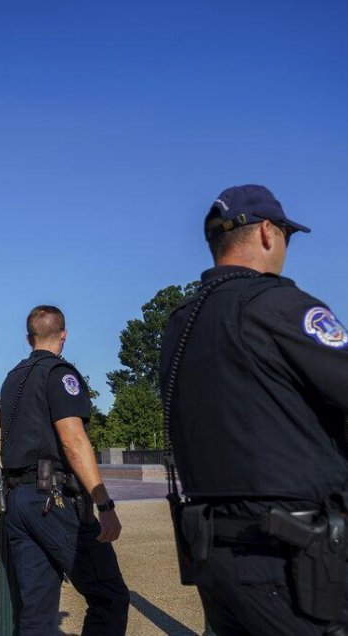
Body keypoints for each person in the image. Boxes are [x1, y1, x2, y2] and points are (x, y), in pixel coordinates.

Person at [160, 184, 348, 634]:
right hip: (290, 559)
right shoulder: (278, 305)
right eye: (286, 233)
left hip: (216, 554)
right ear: (267, 231)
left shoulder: (180, 325)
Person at [0, 305, 129, 635]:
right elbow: (73, 441)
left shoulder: (12, 379)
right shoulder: (60, 374)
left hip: (18, 500)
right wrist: (105, 504)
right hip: (52, 501)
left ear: (29, 338)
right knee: (109, 596)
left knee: (37, 614)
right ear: (64, 334)